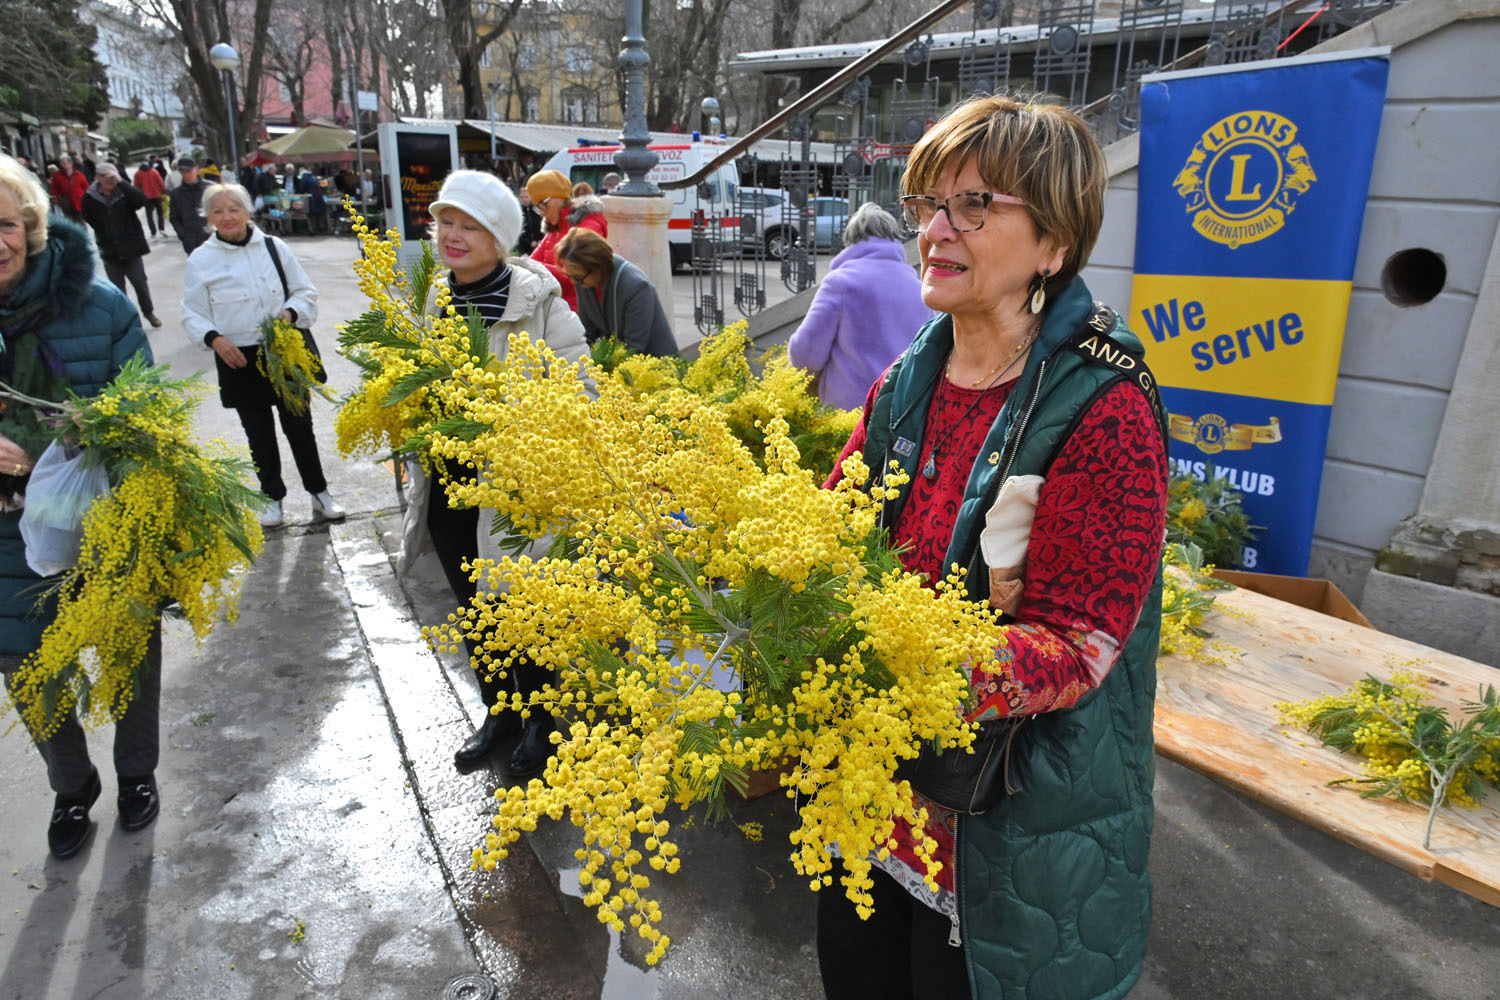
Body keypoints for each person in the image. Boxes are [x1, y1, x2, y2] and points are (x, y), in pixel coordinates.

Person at [815, 96, 1169, 999]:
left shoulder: (1105, 407)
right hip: (870, 800)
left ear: (1053, 243)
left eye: (974, 205)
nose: (935, 229)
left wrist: (889, 661)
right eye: (929, 202)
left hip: (1003, 832)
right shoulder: (910, 377)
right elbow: (830, 537)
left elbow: (1078, 647)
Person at [395, 169, 586, 776]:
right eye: (445, 222)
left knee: (523, 605)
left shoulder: (542, 307)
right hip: (450, 481)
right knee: (474, 604)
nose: (452, 235)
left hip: (517, 487)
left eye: (469, 225)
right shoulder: (434, 301)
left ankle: (540, 721)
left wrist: (508, 427)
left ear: (498, 236)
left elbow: (583, 397)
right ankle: (499, 711)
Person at [0, 154, 161, 859]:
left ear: (32, 226)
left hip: (104, 518)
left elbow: (150, 425)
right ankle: (73, 787)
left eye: (3, 223)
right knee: (25, 664)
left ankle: (135, 774)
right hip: (6, 537)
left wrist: (44, 455)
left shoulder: (103, 309)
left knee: (129, 645)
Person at [180, 183, 345, 529]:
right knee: (259, 434)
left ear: (247, 211)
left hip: (283, 352)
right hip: (237, 358)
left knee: (300, 428)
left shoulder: (274, 247)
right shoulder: (202, 259)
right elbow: (192, 313)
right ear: (208, 217)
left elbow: (305, 292)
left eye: (234, 209)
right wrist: (215, 340)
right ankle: (272, 499)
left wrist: (287, 315)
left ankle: (319, 493)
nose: (227, 217)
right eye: (218, 211)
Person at [787, 203, 931, 411]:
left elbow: (805, 352)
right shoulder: (919, 288)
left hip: (848, 415)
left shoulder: (842, 283)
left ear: (850, 240)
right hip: (901, 413)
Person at [555, 228, 679, 358]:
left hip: (655, 365)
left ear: (598, 268)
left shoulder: (637, 287)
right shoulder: (584, 280)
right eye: (570, 275)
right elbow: (587, 331)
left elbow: (633, 348)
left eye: (578, 277)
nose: (574, 282)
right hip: (620, 362)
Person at [80, 164, 162, 329]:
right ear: (98, 178)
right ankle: (126, 321)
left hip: (131, 249)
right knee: (117, 290)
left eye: (113, 178)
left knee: (140, 283)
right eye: (107, 178)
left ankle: (148, 312)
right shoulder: (90, 197)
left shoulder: (124, 192)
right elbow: (89, 218)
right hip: (110, 251)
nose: (111, 181)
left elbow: (141, 200)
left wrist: (122, 182)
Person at [525, 168, 606, 312]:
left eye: (543, 204)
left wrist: (530, 266)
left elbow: (577, 274)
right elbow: (531, 262)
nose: (542, 212)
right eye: (537, 208)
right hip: (559, 309)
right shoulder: (554, 230)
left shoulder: (587, 225)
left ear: (559, 197)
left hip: (582, 313)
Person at [168, 157, 210, 255]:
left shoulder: (210, 188)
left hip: (211, 237)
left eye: (188, 171)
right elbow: (174, 217)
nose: (186, 175)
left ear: (196, 169)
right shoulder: (176, 193)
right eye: (182, 172)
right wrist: (183, 235)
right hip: (191, 241)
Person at [47, 154, 87, 222]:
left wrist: (87, 199)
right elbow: (54, 189)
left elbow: (86, 187)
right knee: (70, 221)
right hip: (66, 203)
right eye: (62, 163)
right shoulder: (57, 176)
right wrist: (55, 198)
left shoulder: (78, 174)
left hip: (79, 202)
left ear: (71, 163)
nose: (65, 165)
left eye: (66, 163)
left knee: (81, 222)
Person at [134, 159, 165, 239]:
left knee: (149, 215)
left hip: (146, 197)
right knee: (160, 213)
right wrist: (162, 191)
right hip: (157, 195)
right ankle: (161, 228)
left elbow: (136, 186)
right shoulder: (154, 171)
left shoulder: (138, 174)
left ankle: (153, 231)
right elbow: (160, 182)